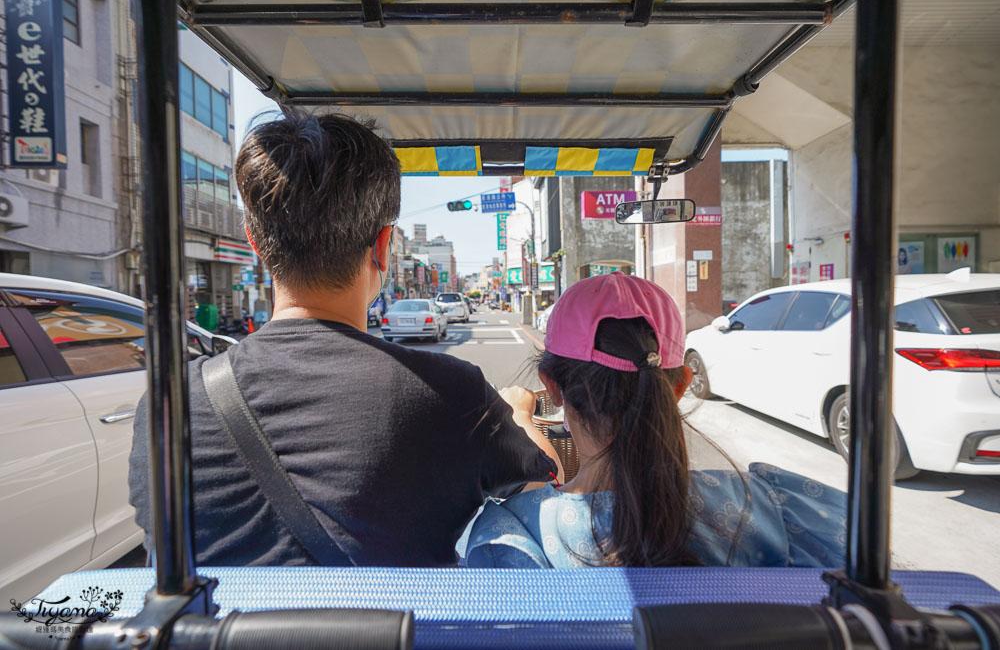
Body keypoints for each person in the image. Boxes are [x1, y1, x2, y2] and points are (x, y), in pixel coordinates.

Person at [129, 111, 559, 568]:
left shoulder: (170, 404)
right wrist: (518, 410)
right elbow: (545, 474)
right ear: (382, 246)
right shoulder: (449, 392)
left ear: (254, 241)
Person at [466, 272, 847, 569]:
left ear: (552, 385)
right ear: (680, 385)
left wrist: (519, 419)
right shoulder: (771, 504)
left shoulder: (512, 539)